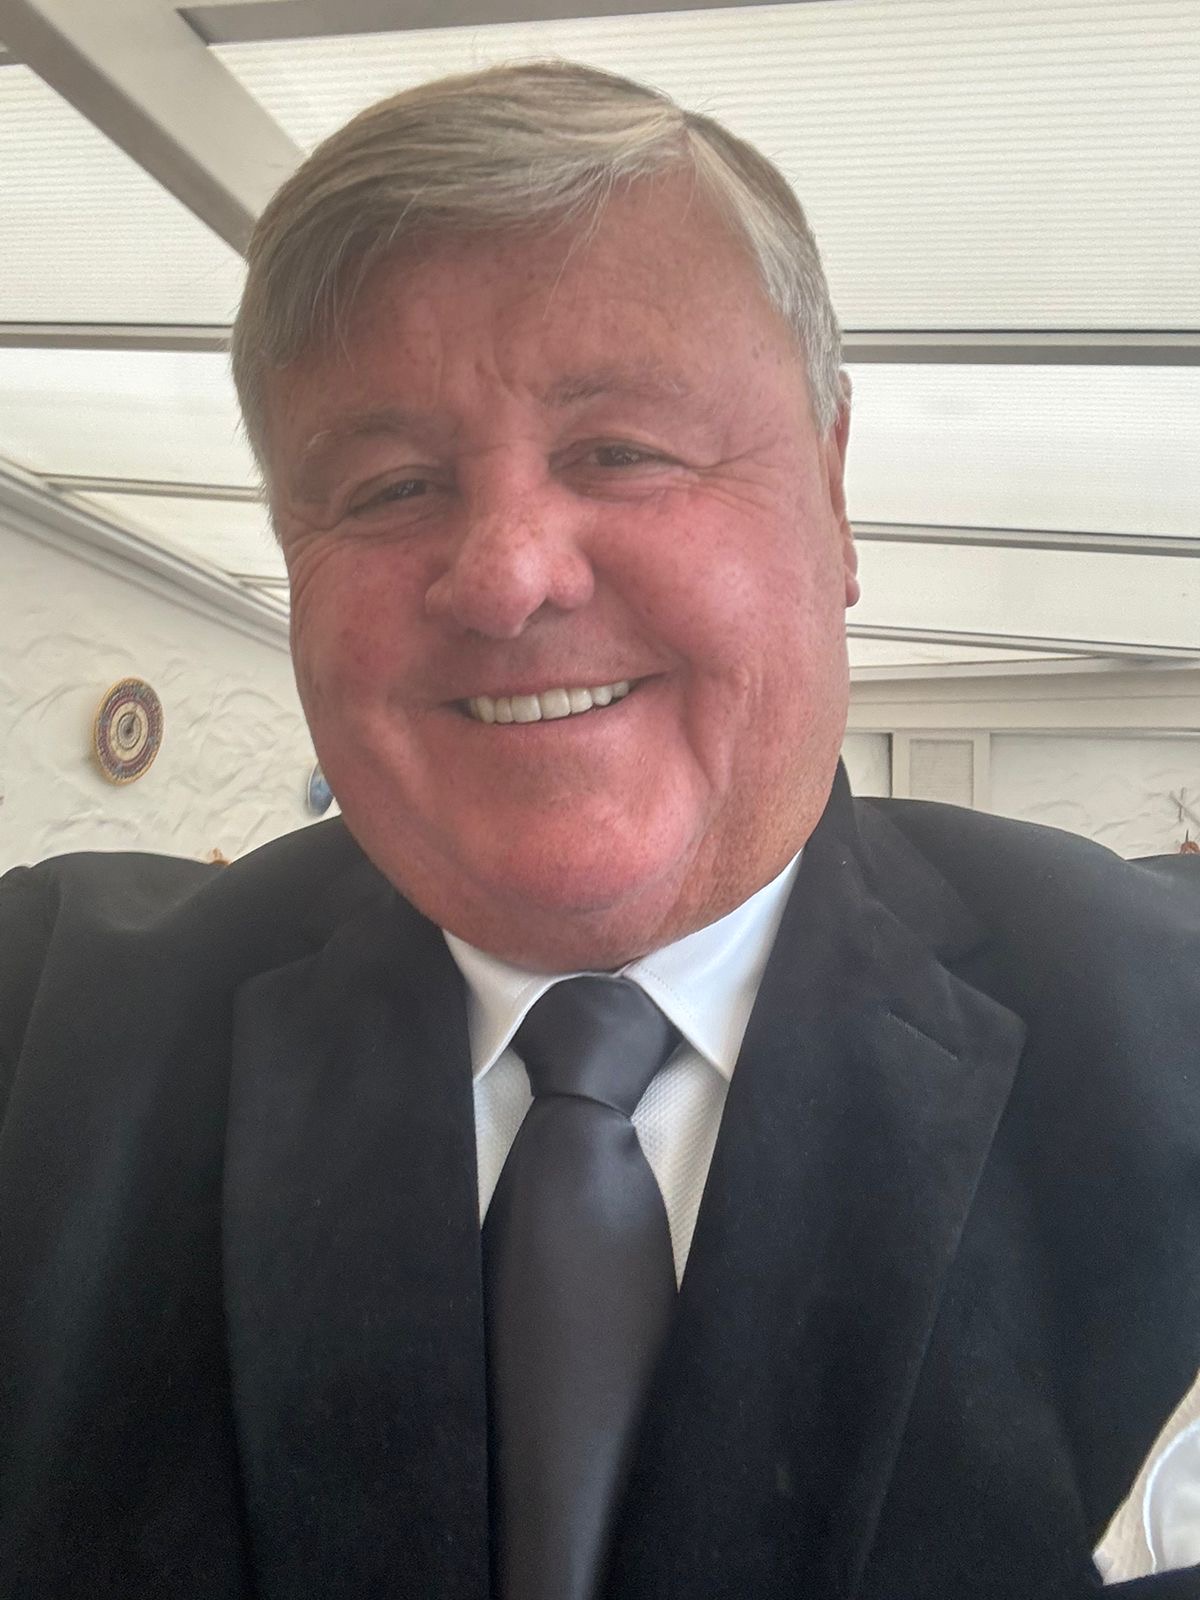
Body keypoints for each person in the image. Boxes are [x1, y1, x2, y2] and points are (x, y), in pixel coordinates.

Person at [1, 61, 1198, 1600]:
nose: (506, 576)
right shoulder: (46, 1027)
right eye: (390, 486)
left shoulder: (1166, 1034)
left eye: (620, 451)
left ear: (834, 493)